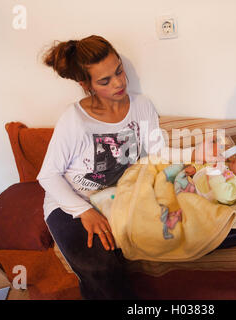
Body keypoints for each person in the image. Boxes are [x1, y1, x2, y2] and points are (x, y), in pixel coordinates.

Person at [37, 35, 167, 299]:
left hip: (114, 197)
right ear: (86, 85)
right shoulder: (74, 120)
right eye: (105, 81)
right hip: (70, 204)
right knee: (101, 268)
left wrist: (198, 154)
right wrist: (84, 210)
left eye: (119, 70)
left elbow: (159, 153)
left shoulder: (141, 106)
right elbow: (48, 175)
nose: (119, 82)